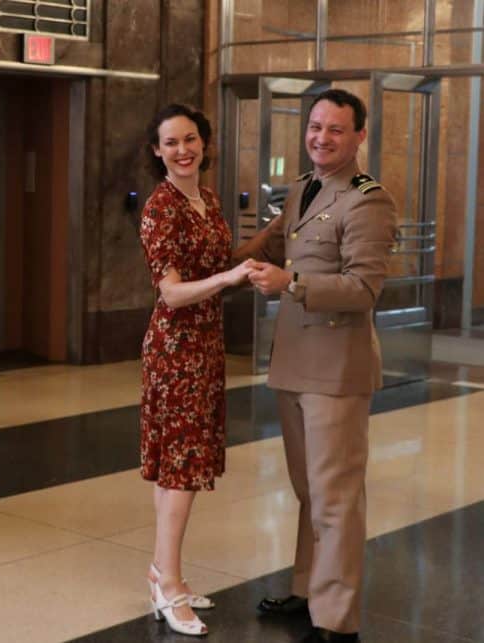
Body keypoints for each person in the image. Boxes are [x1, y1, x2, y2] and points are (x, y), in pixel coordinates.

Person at [238, 89, 398, 643]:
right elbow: (274, 242)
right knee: (309, 490)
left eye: (335, 129)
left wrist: (293, 285)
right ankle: (308, 589)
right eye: (315, 126)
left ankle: (337, 619)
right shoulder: (304, 187)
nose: (321, 138)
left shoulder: (367, 199)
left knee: (336, 496)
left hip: (336, 369)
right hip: (294, 362)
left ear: (359, 137)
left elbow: (363, 288)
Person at [140, 104, 253, 637]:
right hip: (176, 348)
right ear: (157, 151)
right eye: (170, 143)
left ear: (205, 143)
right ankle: (169, 585)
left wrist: (248, 262)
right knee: (179, 469)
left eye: (190, 139)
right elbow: (172, 292)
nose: (182, 150)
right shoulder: (161, 208)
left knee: (178, 467)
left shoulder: (205, 198)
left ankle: (163, 571)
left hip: (205, 345)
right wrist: (229, 280)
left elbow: (219, 265)